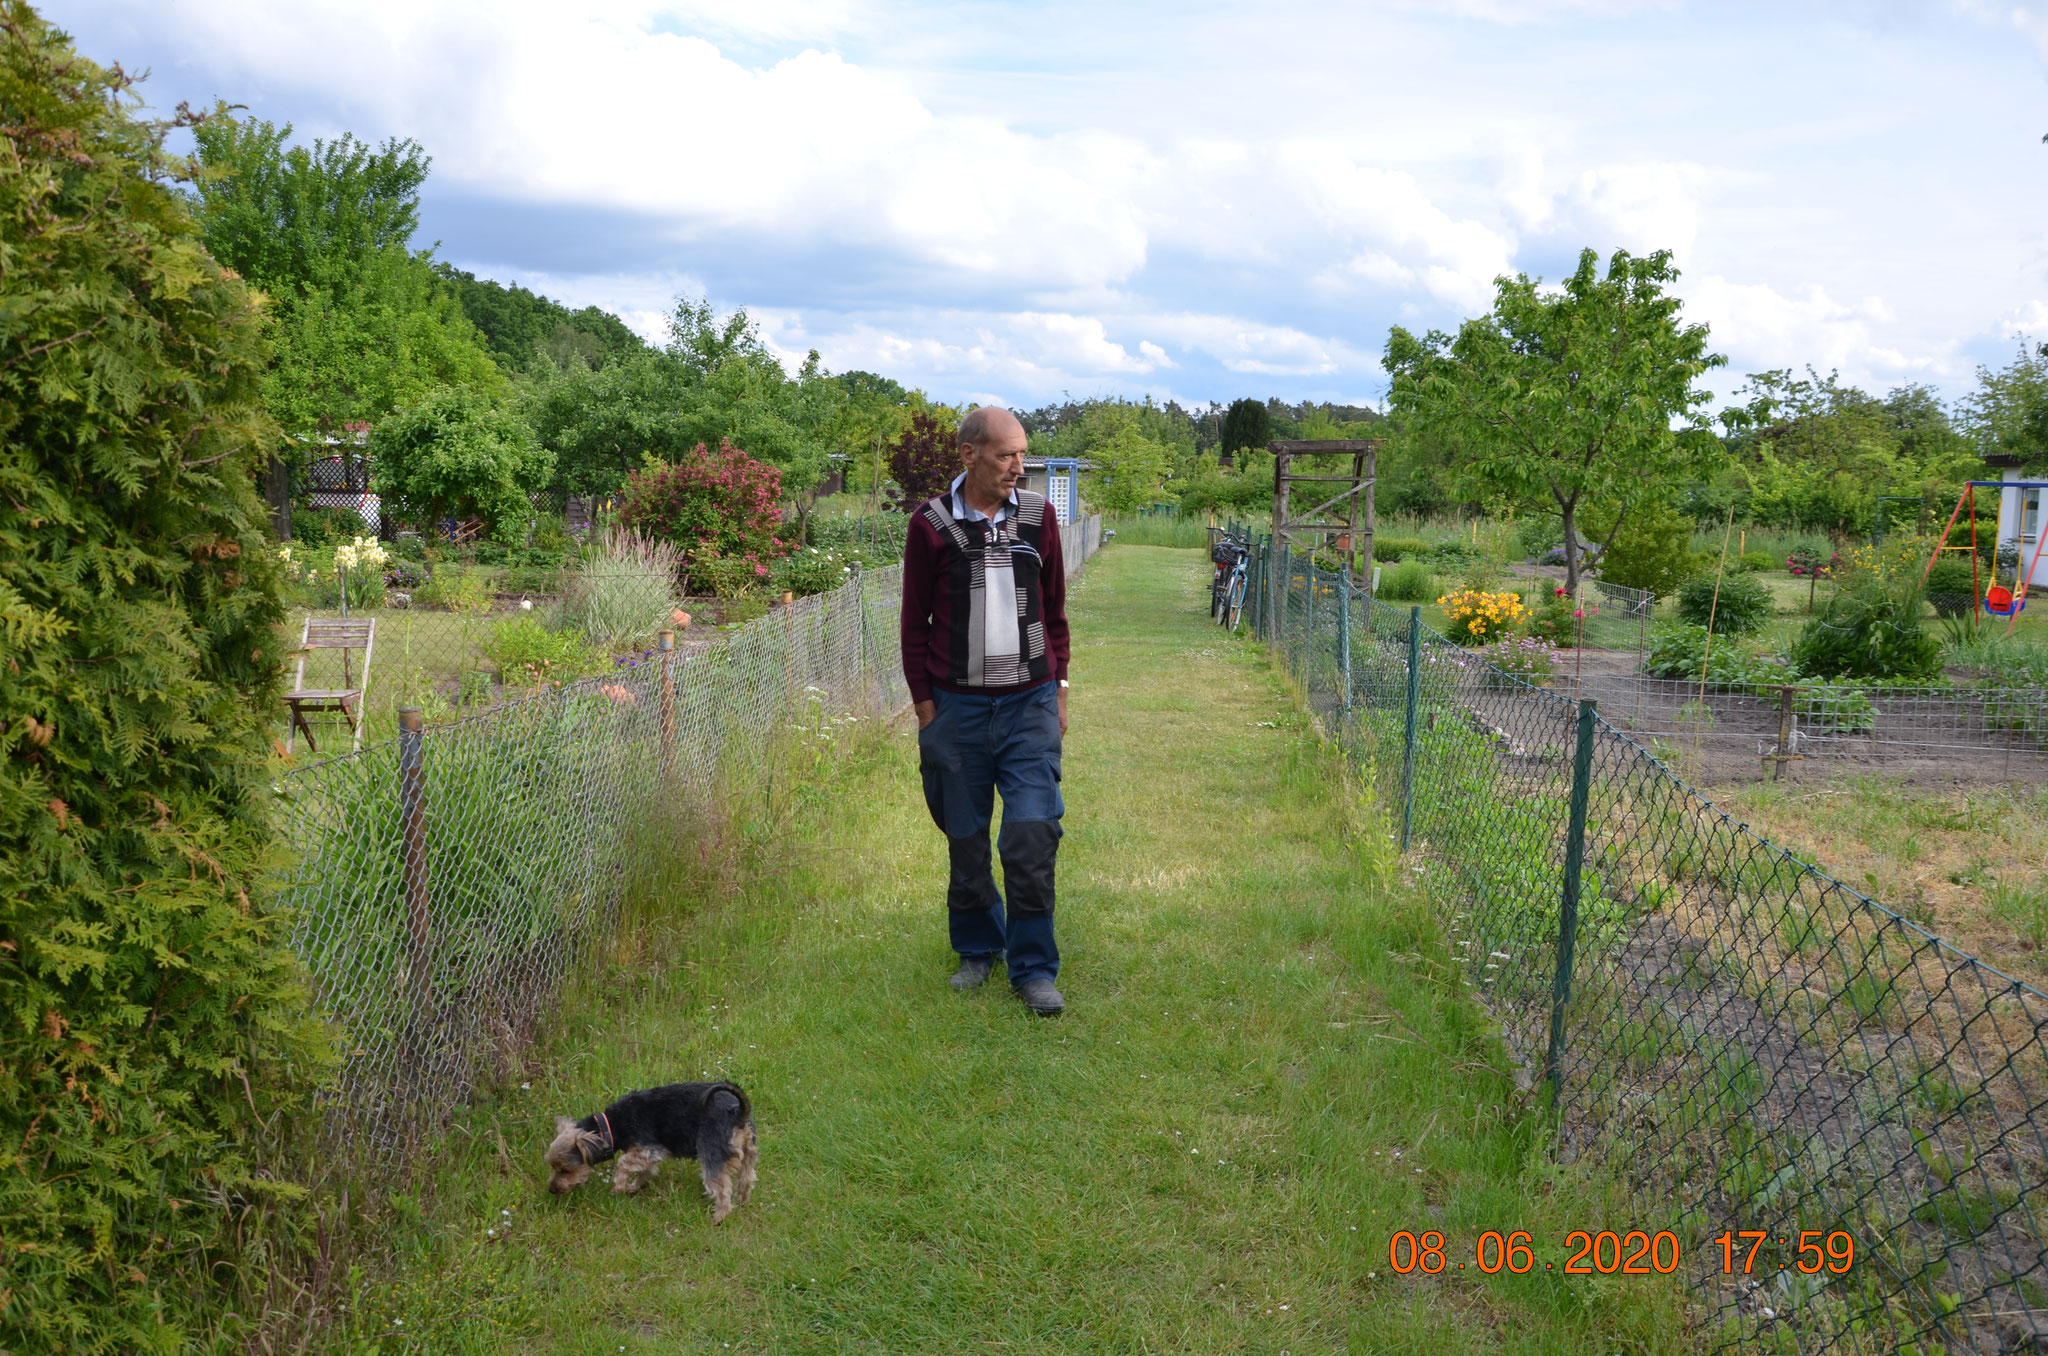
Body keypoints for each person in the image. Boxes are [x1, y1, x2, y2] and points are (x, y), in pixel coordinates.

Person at [900, 405, 1071, 1015]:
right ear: (969, 455)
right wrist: (927, 711)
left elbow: (1053, 610)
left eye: (1023, 454)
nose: (1018, 468)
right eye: (1006, 455)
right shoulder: (931, 525)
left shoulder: (1038, 516)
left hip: (1029, 704)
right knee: (966, 840)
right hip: (956, 710)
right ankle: (977, 948)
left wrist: (1062, 689)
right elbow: (913, 623)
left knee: (1030, 834)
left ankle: (1034, 967)